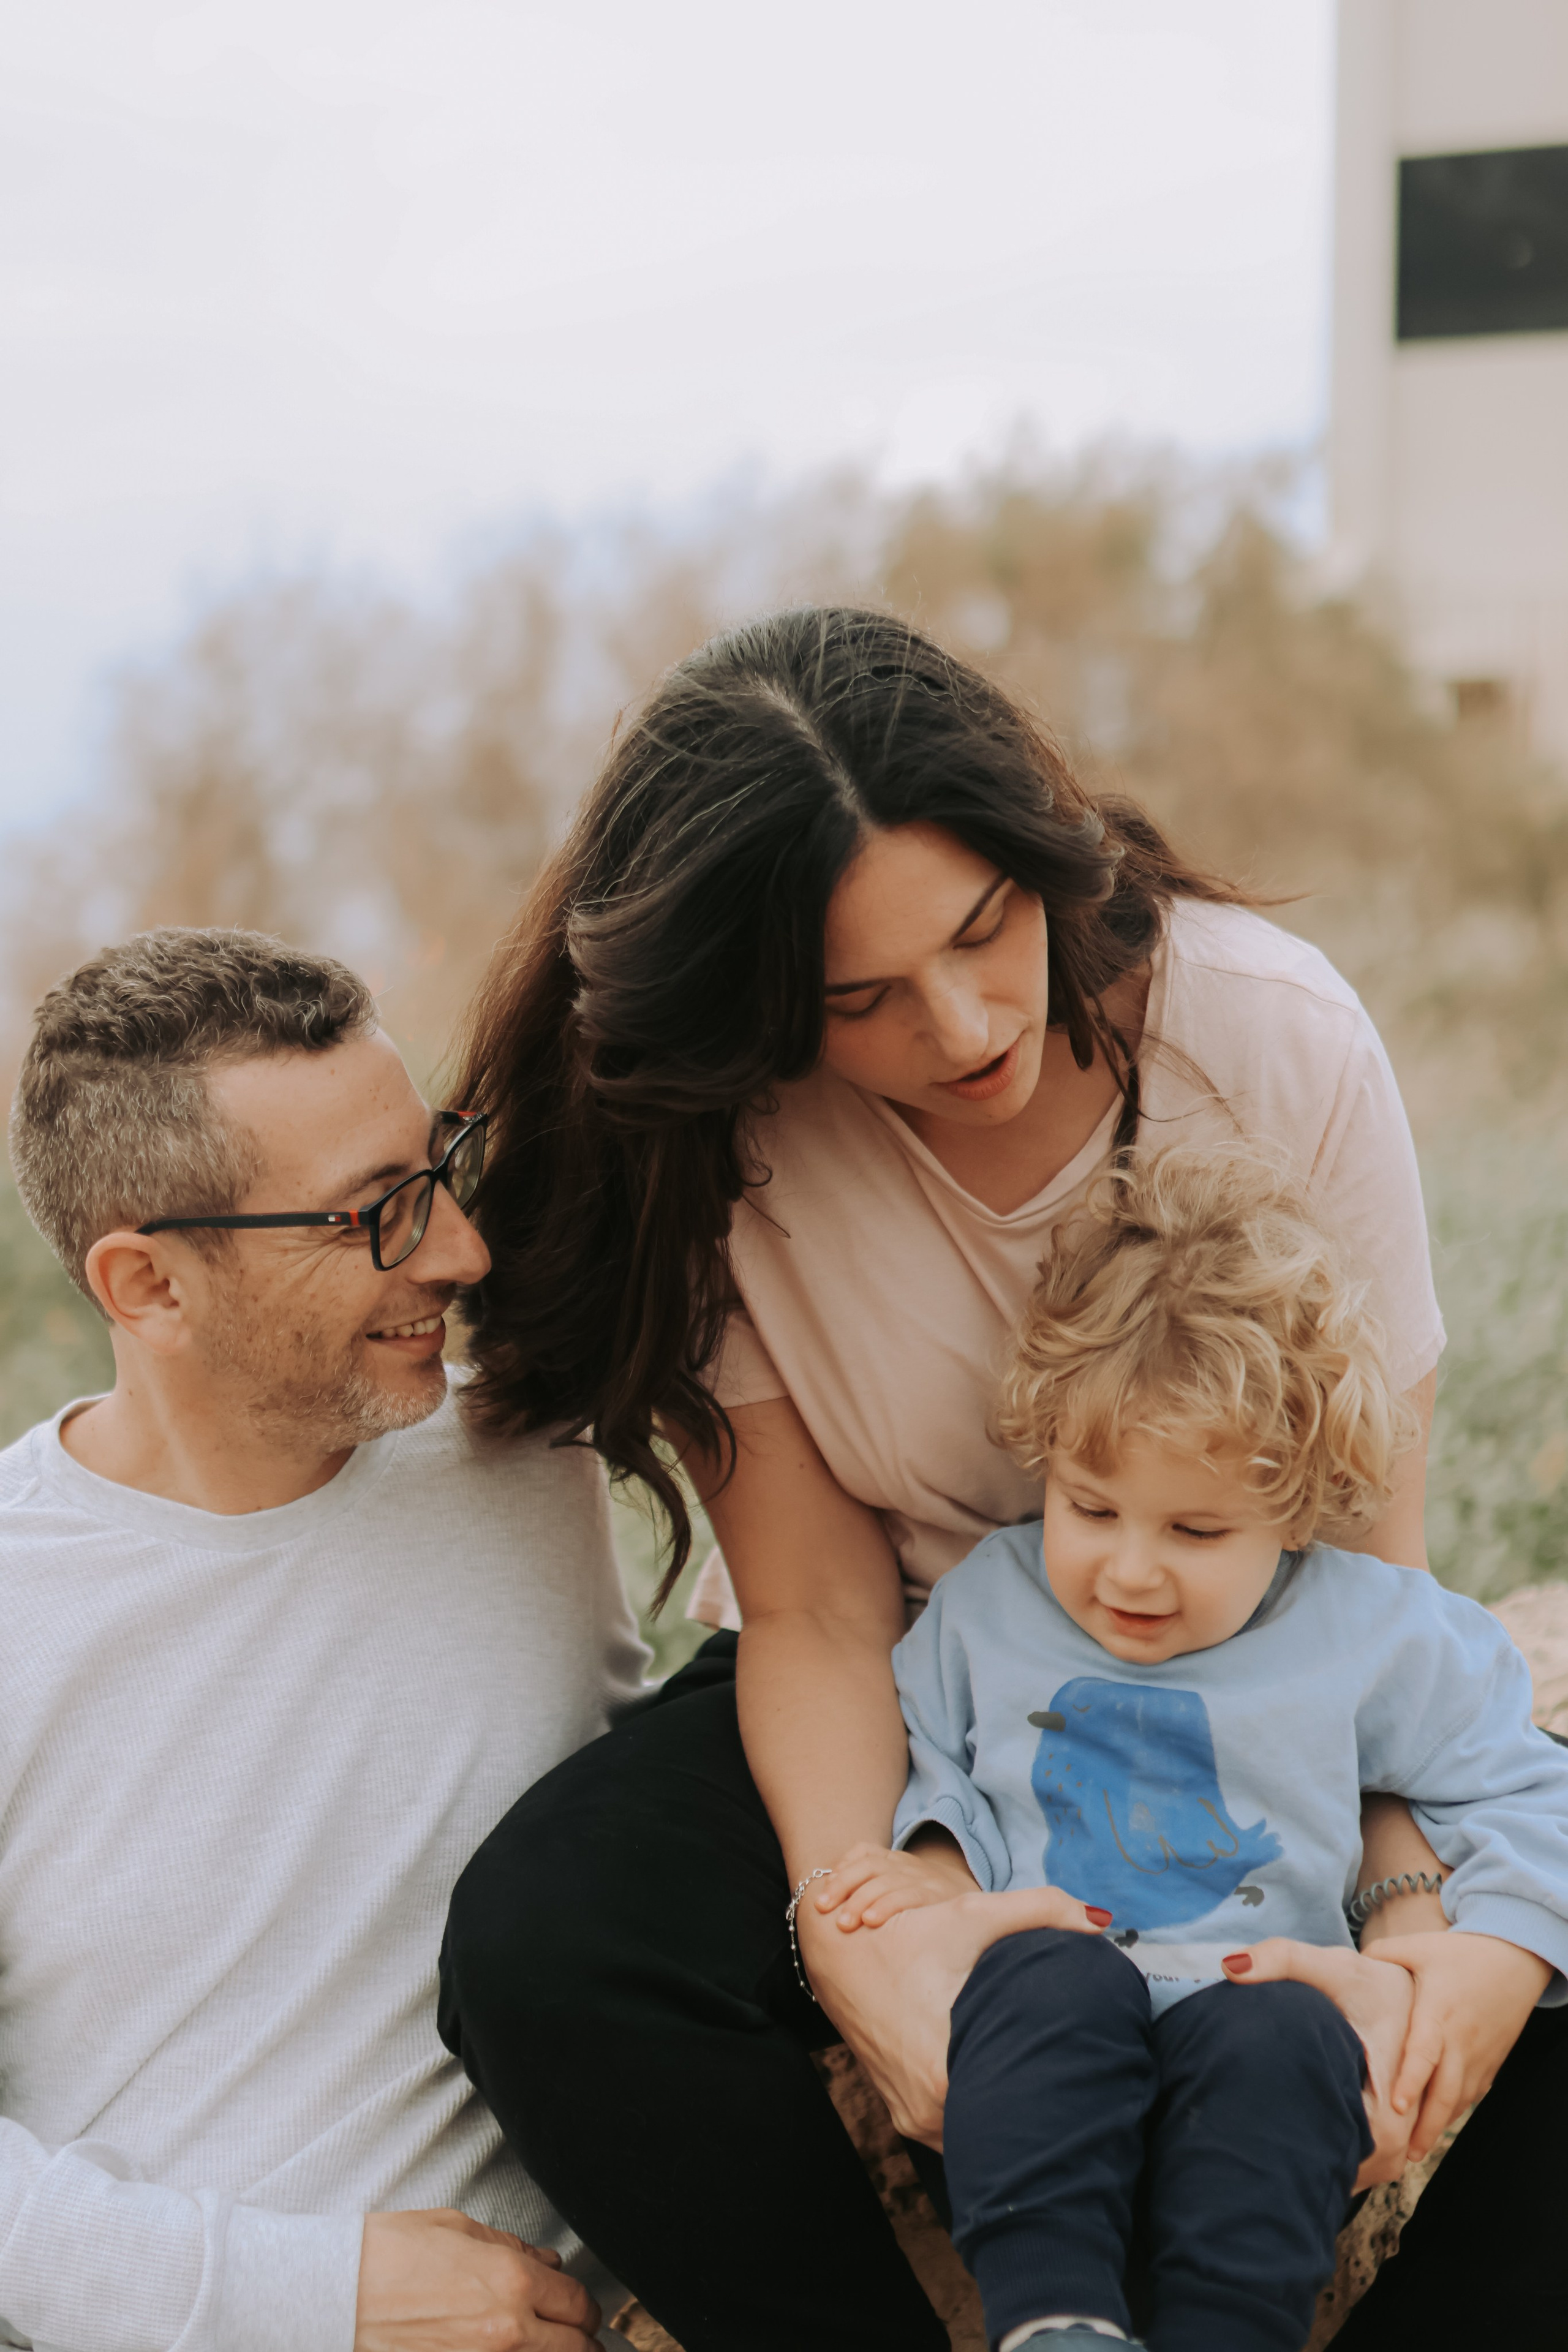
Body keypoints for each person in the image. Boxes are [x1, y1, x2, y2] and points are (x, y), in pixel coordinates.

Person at [438, 608, 1566, 2351]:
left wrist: (1437, 1925)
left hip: (1266, 1650)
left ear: (1045, 851)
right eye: (859, 1000)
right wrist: (862, 1926)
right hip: (901, 1663)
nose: (964, 1026)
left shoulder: (1261, 1034)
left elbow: (1368, 1571)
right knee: (550, 1951)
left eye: (986, 930)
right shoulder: (724, 1146)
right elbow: (810, 1604)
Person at [2, 927, 647, 2352]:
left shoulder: (526, 1469)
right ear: (148, 1287)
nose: (460, 1250)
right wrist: (311, 2301)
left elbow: (638, 1853)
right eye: (376, 1215)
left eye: (438, 1172)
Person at [815, 1145, 1568, 2352]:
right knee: (1039, 1981)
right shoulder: (987, 1608)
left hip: (1259, 2020)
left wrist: (1492, 1953)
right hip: (1048, 2030)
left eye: (1196, 1527)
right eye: (1090, 1506)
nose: (1128, 1567)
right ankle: (1051, 2326)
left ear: (1297, 1499)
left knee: (1277, 2033)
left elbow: (1527, 1788)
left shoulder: (1367, 1627)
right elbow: (934, 1769)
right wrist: (935, 1878)